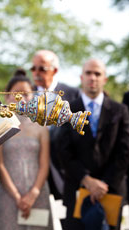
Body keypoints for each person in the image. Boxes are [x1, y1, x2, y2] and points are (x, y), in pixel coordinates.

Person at [59, 59, 129, 230]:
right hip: (77, 189)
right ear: (81, 77)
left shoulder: (120, 111)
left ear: (104, 79)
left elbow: (125, 151)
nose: (93, 77)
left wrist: (102, 184)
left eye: (97, 74)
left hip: (111, 191)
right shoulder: (68, 110)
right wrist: (87, 179)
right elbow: (63, 151)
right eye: (89, 73)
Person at [0, 69, 53, 230]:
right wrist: (17, 197)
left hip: (37, 193)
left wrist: (33, 194)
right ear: (7, 96)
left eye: (26, 94)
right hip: (8, 195)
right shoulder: (0, 125)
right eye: (16, 93)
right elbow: (0, 165)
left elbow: (44, 164)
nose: (22, 98)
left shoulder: (41, 126)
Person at [30, 49, 80, 200]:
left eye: (42, 68)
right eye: (33, 68)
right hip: (33, 169)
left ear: (55, 70)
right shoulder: (27, 95)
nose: (36, 72)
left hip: (65, 168)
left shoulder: (72, 94)